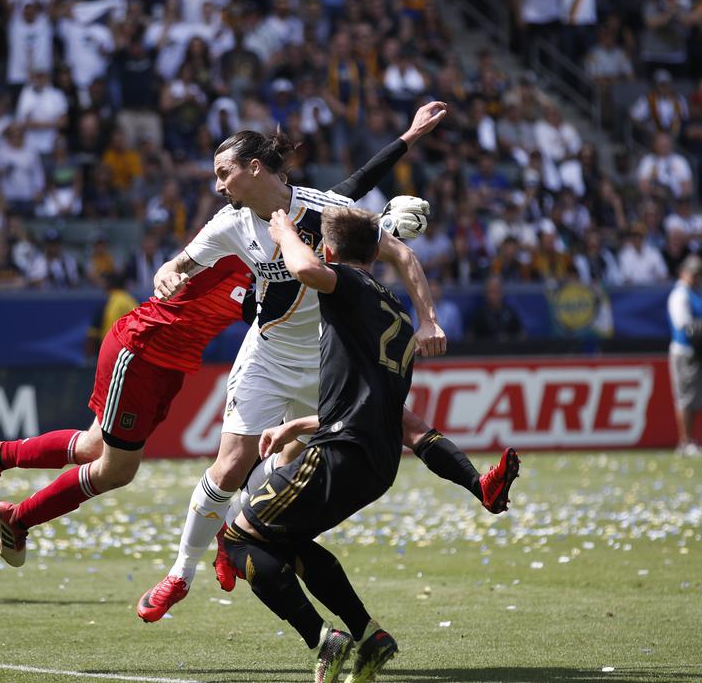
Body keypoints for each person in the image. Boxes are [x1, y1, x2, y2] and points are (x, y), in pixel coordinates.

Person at [0, 102, 447, 575]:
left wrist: (408, 139)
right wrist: (378, 233)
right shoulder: (237, 232)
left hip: (177, 355)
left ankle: (1, 460)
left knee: (107, 450)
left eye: (224, 176)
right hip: (145, 346)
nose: (219, 189)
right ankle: (19, 504)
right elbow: (276, 266)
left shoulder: (286, 219)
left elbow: (346, 189)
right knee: (114, 466)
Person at [137, 103, 450, 622]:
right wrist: (167, 274)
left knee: (283, 484)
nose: (218, 186)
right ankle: (179, 573)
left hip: (325, 364)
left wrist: (429, 319)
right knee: (231, 464)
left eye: (224, 173)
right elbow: (180, 262)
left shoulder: (322, 208)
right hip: (265, 355)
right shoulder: (230, 223)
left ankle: (234, 540)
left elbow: (383, 220)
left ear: (254, 168)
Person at [221, 206, 521, 683]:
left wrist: (282, 231)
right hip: (377, 464)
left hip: (340, 453)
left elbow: (302, 268)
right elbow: (400, 419)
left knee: (238, 539)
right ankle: (369, 636)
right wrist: (296, 426)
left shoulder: (348, 284)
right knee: (289, 540)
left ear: (332, 251)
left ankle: (324, 638)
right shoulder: (396, 317)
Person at [666, 255, 702, 457]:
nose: (697, 277)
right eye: (694, 273)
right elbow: (684, 324)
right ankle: (685, 441)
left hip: (697, 352)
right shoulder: (680, 295)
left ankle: (691, 440)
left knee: (696, 399)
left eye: (699, 274)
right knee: (686, 398)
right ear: (683, 272)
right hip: (685, 351)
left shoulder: (696, 294)